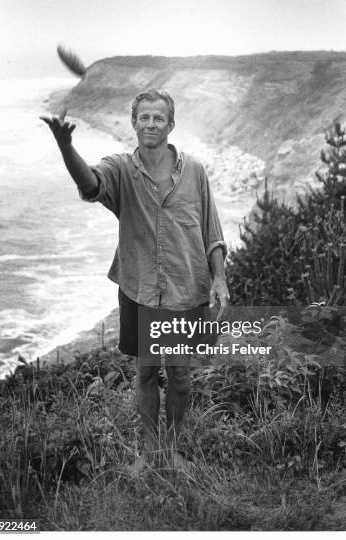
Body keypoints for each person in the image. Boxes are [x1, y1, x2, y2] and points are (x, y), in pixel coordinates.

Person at [40, 89, 229, 471]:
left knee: (177, 375)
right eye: (143, 117)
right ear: (133, 123)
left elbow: (212, 229)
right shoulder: (121, 168)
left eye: (158, 118)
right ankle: (148, 452)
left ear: (171, 125)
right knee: (145, 372)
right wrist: (65, 146)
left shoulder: (193, 170)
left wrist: (220, 278)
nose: (150, 124)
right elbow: (90, 185)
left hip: (183, 287)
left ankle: (172, 451)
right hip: (140, 287)